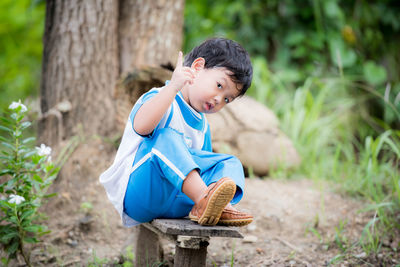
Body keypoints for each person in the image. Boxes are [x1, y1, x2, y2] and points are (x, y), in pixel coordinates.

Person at [99, 38, 253, 227]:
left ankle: (218, 205)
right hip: (140, 194)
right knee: (167, 137)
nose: (218, 99)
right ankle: (204, 199)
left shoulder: (203, 126)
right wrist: (172, 87)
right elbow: (141, 127)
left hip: (179, 204)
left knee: (229, 162)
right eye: (219, 86)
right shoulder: (161, 97)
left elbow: (203, 163)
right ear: (197, 68)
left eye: (227, 99)